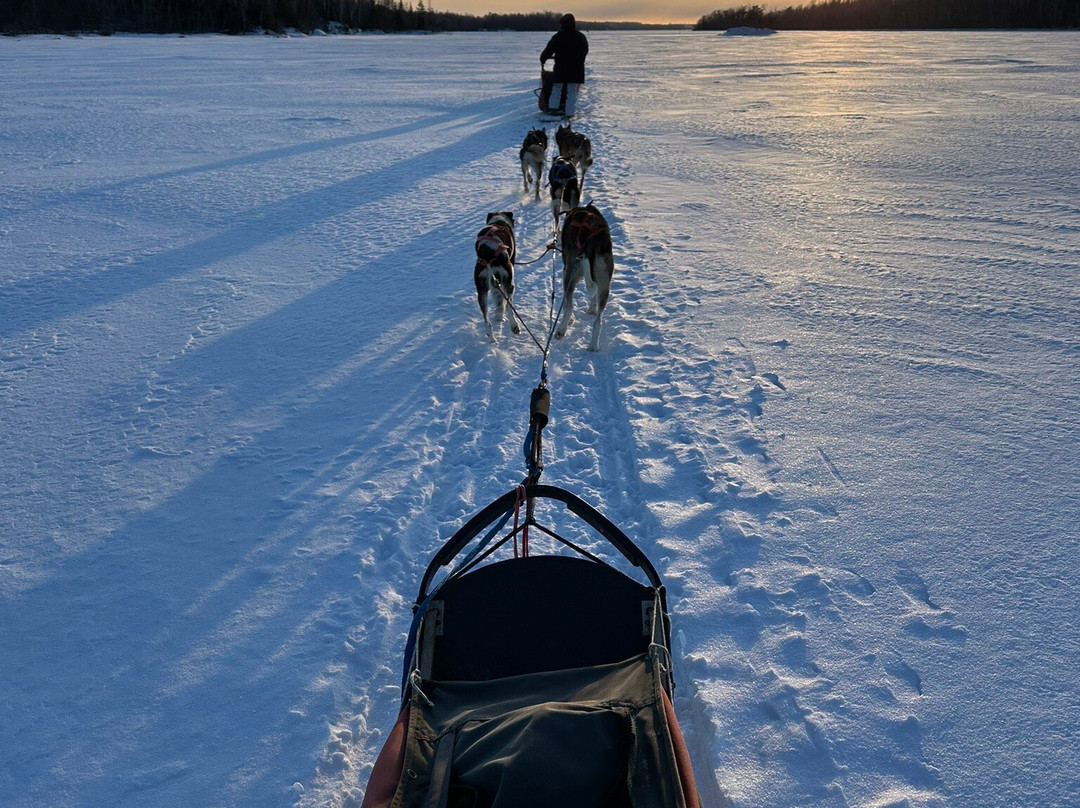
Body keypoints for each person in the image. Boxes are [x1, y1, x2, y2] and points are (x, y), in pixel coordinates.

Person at [540, 13, 588, 117]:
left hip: (561, 68)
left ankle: (553, 109)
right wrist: (579, 60)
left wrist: (543, 58)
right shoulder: (580, 37)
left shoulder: (558, 37)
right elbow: (585, 51)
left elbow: (549, 50)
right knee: (571, 91)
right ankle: (569, 112)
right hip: (576, 69)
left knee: (557, 88)